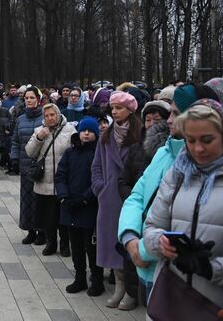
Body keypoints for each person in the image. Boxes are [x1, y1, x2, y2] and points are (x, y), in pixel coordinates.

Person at [117, 84, 218, 306]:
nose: (169, 120)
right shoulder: (163, 152)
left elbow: (183, 223)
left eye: (176, 113)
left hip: (176, 276)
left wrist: (142, 250)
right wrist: (130, 237)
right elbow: (137, 196)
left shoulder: (203, 164)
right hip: (146, 268)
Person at [143, 99, 223, 310]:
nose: (198, 149)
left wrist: (214, 270)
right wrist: (161, 243)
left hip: (221, 306)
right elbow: (150, 227)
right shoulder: (177, 173)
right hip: (170, 298)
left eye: (207, 139)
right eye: (190, 140)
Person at [91, 91, 143, 309]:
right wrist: (100, 187)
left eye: (119, 108)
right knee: (112, 243)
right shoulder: (106, 135)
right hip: (110, 198)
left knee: (129, 241)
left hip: (131, 196)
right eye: (112, 108)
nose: (114, 112)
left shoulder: (140, 134)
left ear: (130, 110)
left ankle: (132, 290)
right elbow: (96, 166)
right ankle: (119, 285)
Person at [54, 117, 104, 296]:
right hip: (69, 206)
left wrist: (85, 198)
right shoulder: (70, 153)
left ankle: (97, 280)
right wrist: (63, 195)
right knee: (75, 247)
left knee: (91, 247)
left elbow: (100, 179)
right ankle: (80, 278)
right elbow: (60, 175)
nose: (87, 133)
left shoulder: (100, 153)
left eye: (90, 131)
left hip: (89, 207)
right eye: (84, 130)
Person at [26, 103, 76, 256]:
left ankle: (65, 244)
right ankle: (51, 243)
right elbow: (30, 152)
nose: (50, 118)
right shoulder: (38, 131)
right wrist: (40, 137)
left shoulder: (70, 130)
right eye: (46, 116)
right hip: (45, 181)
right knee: (49, 217)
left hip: (64, 181)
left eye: (52, 115)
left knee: (64, 216)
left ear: (58, 114)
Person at [11, 87, 45, 244]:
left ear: (38, 99)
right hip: (25, 166)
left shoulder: (45, 118)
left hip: (42, 166)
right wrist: (14, 157)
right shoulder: (21, 119)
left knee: (41, 200)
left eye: (32, 97)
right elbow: (15, 141)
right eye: (26, 98)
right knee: (27, 199)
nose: (29, 100)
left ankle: (42, 231)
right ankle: (30, 230)